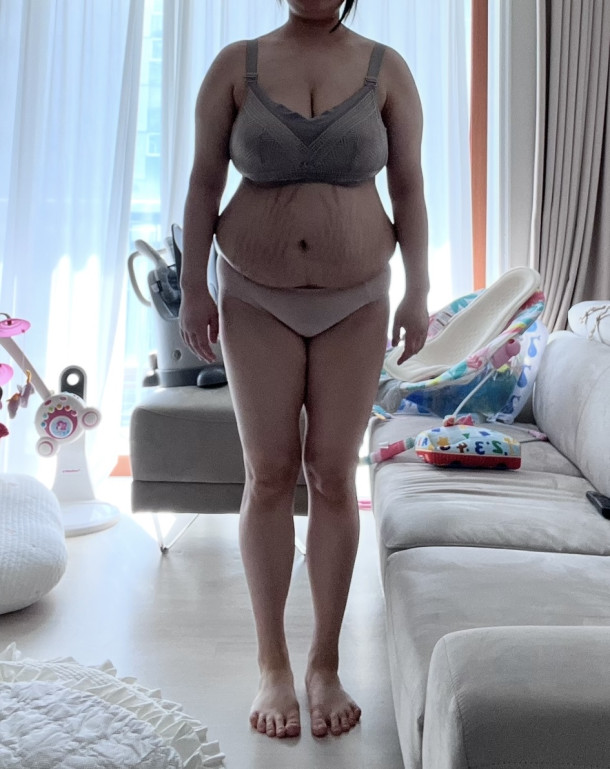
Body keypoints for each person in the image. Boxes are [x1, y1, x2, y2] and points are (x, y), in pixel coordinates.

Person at [179, 0, 429, 741]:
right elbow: (202, 183)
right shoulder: (237, 65)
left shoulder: (387, 70)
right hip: (253, 293)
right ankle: (272, 662)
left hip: (359, 298)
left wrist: (418, 291)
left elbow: (409, 186)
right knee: (268, 473)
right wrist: (192, 287)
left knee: (332, 474)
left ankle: (324, 663)